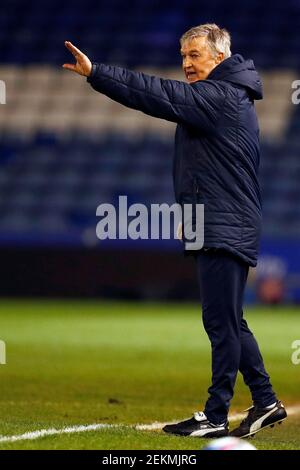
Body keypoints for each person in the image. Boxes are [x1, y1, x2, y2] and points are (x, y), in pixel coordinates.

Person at [63, 23, 287, 438]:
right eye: (183, 56)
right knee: (228, 319)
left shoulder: (219, 97)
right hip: (215, 220)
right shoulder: (226, 96)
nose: (186, 64)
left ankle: (216, 415)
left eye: (195, 56)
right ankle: (265, 401)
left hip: (224, 222)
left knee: (221, 323)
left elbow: (156, 94)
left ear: (219, 57)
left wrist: (98, 73)